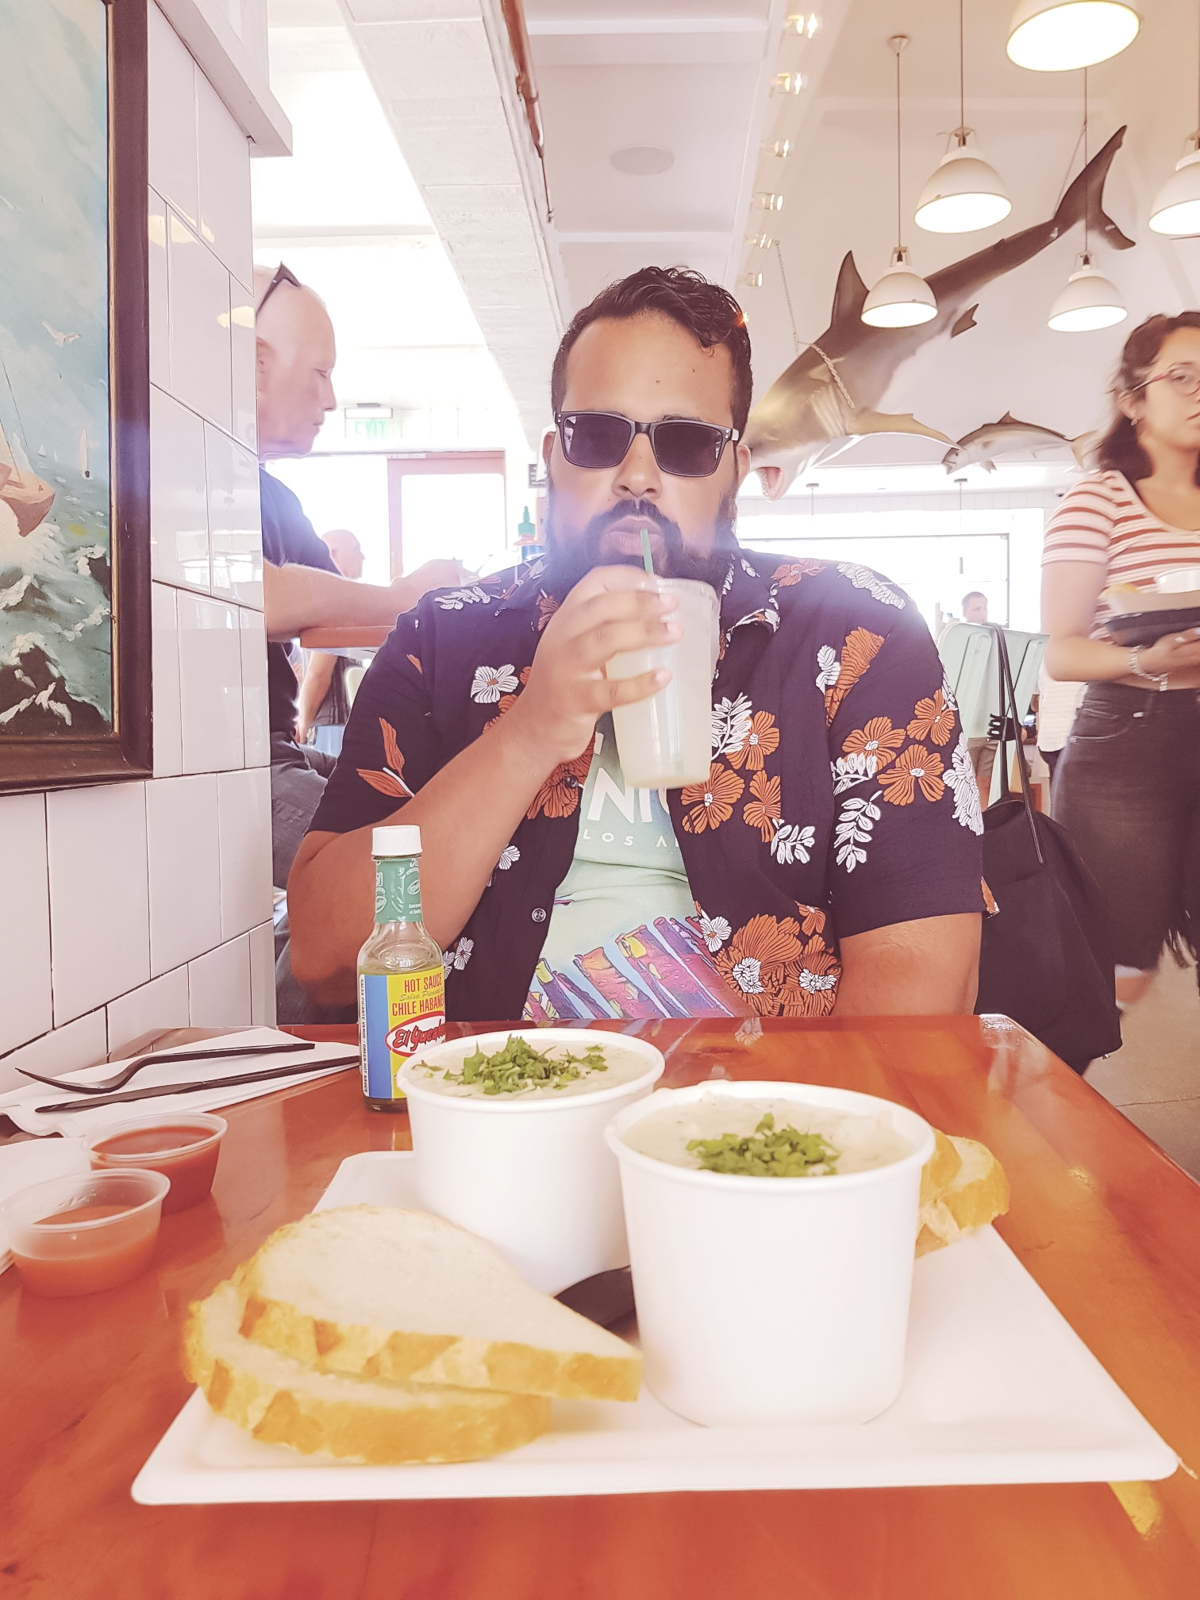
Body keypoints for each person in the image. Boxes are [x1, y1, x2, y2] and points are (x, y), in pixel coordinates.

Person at [289, 267, 985, 1022]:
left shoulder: (857, 630)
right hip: (488, 1085)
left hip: (769, 1090)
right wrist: (529, 732)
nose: (639, 476)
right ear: (554, 457)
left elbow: (924, 978)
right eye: (598, 435)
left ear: (734, 472)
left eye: (687, 443)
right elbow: (326, 960)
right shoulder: (442, 636)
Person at [254, 264, 466, 889]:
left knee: (429, 806)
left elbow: (341, 615)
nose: (329, 399)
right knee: (415, 880)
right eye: (320, 373)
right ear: (253, 365)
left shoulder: (274, 498)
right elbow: (251, 597)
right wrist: (404, 594)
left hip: (276, 751)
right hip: (225, 771)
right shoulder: (177, 473)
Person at [1042, 312, 1200, 1011]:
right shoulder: (1098, 500)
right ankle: (1062, 1077)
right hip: (1131, 737)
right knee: (1113, 961)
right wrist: (1149, 659)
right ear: (1133, 399)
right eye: (1182, 376)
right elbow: (1063, 651)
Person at [296, 529, 363, 756]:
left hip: (334, 725)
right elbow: (318, 673)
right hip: (337, 724)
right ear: (333, 554)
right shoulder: (338, 602)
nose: (363, 557)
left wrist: (303, 723)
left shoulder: (333, 601)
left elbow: (318, 674)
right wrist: (304, 722)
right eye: (356, 550)